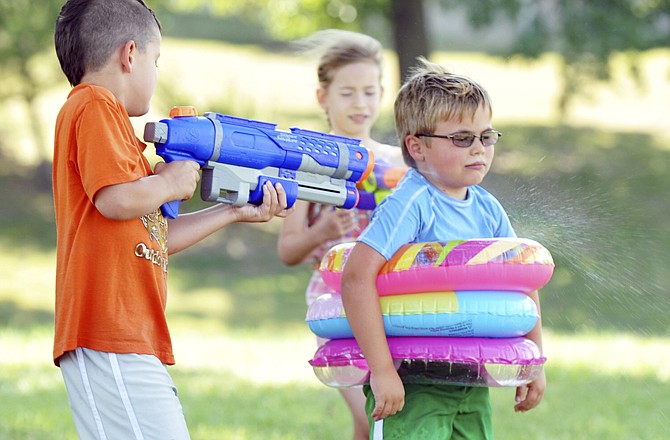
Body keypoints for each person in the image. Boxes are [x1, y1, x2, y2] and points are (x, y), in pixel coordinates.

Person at [52, 1, 290, 438]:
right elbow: (114, 201)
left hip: (129, 334)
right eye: (155, 59)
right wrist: (171, 183)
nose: (156, 71)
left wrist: (234, 211)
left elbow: (155, 234)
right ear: (129, 55)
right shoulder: (94, 105)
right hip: (107, 331)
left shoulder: (117, 133)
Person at [339, 58, 546, 439]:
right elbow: (356, 278)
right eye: (462, 138)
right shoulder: (411, 203)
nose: (479, 148)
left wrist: (533, 359)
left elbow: (521, 282)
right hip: (412, 381)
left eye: (486, 136)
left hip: (471, 380)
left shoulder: (487, 207)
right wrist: (383, 372)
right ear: (417, 146)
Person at [276, 29, 402, 440]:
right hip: (334, 304)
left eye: (370, 91)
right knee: (370, 415)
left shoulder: (397, 164)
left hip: (392, 300)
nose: (361, 103)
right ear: (322, 97)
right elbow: (288, 250)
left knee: (389, 419)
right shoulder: (306, 164)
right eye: (348, 93)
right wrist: (325, 230)